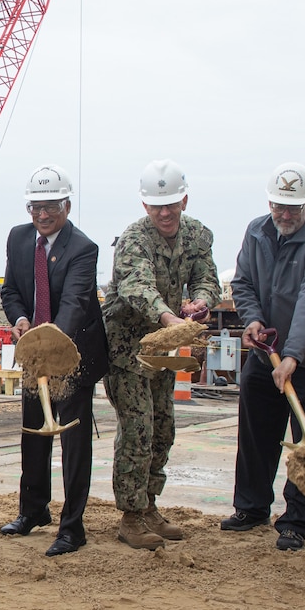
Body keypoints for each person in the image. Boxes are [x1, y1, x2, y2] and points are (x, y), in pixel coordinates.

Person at [222, 163, 305, 550]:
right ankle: (252, 507)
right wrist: (254, 319)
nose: (285, 215)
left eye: (293, 208)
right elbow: (242, 281)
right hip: (264, 355)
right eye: (279, 206)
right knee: (256, 434)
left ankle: (295, 520)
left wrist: (293, 354)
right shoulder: (257, 231)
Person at [103, 160, 221, 550]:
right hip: (128, 349)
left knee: (163, 428)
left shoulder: (197, 235)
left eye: (171, 203)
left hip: (165, 350)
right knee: (138, 428)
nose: (165, 212)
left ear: (184, 199)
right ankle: (131, 515)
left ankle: (149, 503)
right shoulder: (134, 239)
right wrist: (172, 319)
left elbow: (207, 278)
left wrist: (201, 303)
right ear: (145, 206)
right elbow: (137, 287)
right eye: (157, 206)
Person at [0, 165, 110, 556]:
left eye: (50, 208)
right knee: (33, 433)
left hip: (72, 354)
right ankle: (33, 510)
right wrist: (22, 320)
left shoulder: (83, 248)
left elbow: (75, 303)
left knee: (72, 441)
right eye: (35, 208)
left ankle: (72, 527)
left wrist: (50, 343)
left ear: (67, 204)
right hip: (34, 351)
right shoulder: (18, 238)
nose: (42, 216)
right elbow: (11, 290)